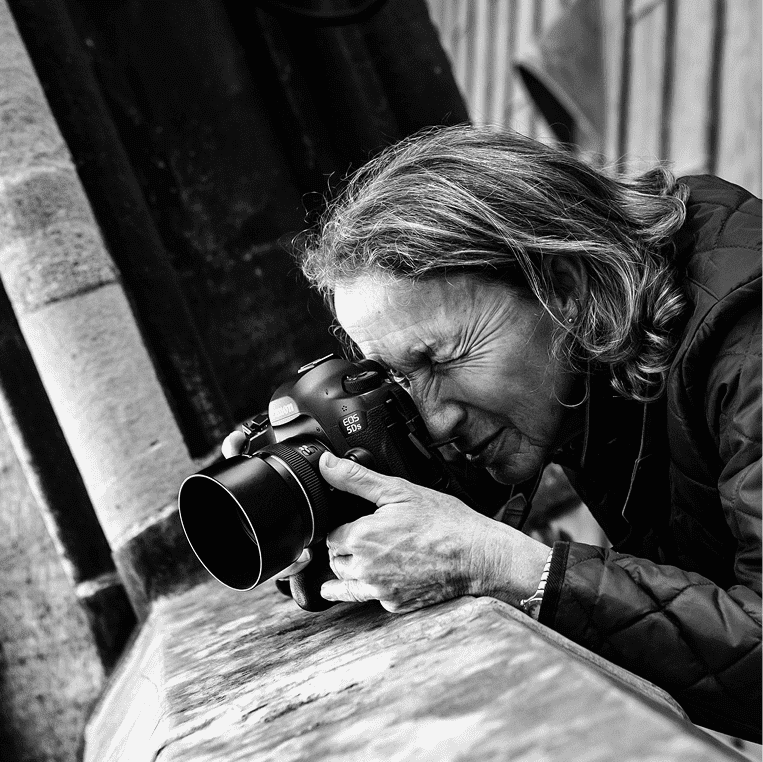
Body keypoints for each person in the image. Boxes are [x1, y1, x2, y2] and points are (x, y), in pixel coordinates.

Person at [223, 126, 762, 741]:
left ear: (563, 287)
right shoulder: (587, 360)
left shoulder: (749, 340)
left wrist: (504, 565)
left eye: (440, 360)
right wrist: (337, 515)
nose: (435, 419)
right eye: (398, 378)